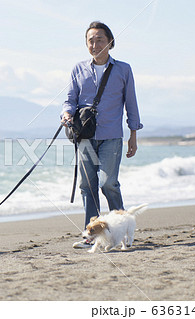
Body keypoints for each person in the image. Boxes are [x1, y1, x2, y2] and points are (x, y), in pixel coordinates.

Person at [61, 21, 143, 248]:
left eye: (99, 40)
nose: (95, 44)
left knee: (108, 184)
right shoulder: (78, 69)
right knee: (87, 186)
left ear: (110, 42)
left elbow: (131, 103)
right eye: (90, 40)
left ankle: (124, 228)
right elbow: (70, 99)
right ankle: (91, 236)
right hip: (84, 136)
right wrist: (66, 113)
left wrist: (133, 134)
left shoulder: (123, 69)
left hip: (111, 136)